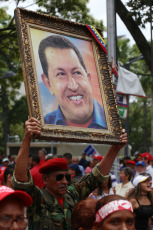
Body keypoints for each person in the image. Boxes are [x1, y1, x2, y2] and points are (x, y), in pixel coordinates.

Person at [12, 117, 127, 230]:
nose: (65, 181)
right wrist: (27, 138)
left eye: (67, 177)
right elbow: (22, 180)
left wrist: (115, 148)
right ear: (45, 180)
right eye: (59, 177)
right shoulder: (38, 199)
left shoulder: (72, 194)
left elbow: (96, 176)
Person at [39, 35, 107, 129]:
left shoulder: (110, 123)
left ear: (88, 79)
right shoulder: (43, 125)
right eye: (61, 74)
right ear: (48, 84)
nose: (73, 86)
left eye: (77, 72)